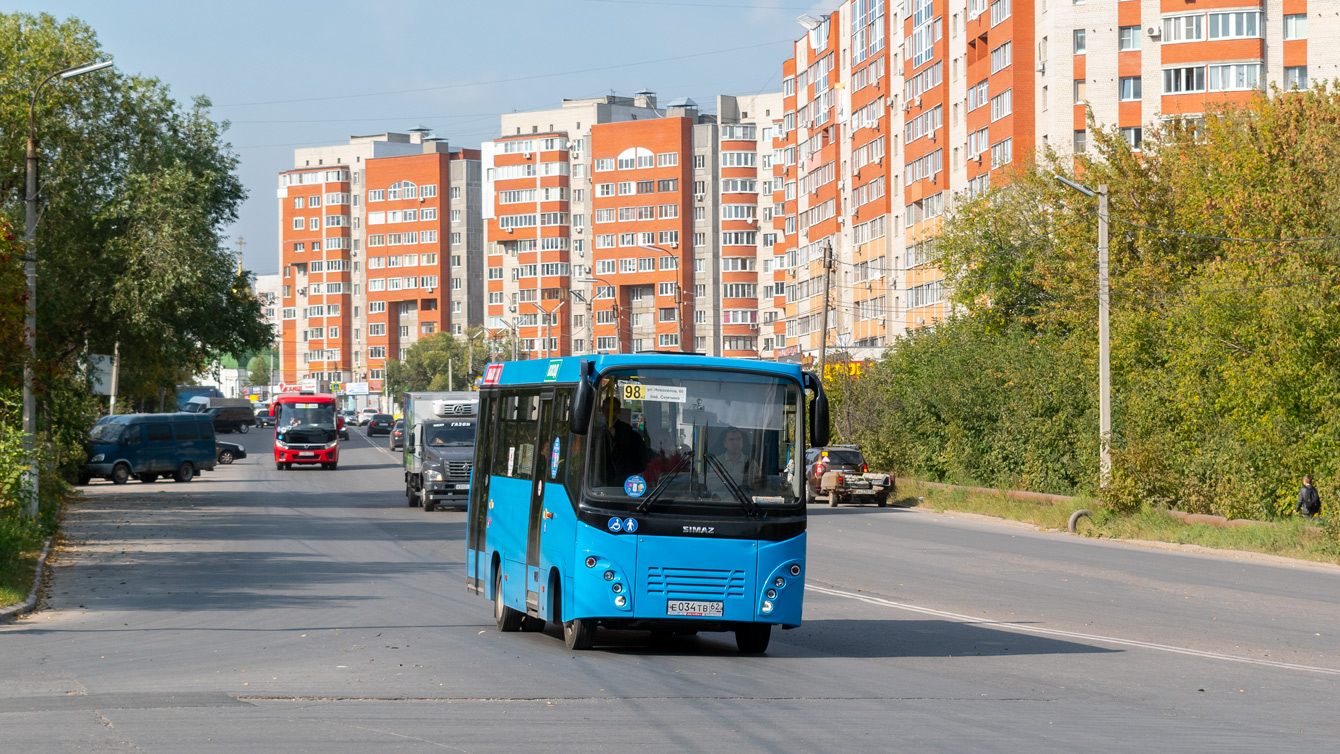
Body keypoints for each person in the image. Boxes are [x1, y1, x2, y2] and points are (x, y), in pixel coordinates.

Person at [598, 397, 645, 483]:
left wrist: (615, 437)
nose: (609, 413)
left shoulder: (625, 429)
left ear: (618, 411)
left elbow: (627, 451)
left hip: (619, 475)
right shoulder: (598, 427)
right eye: (606, 409)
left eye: (613, 410)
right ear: (602, 410)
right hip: (601, 472)